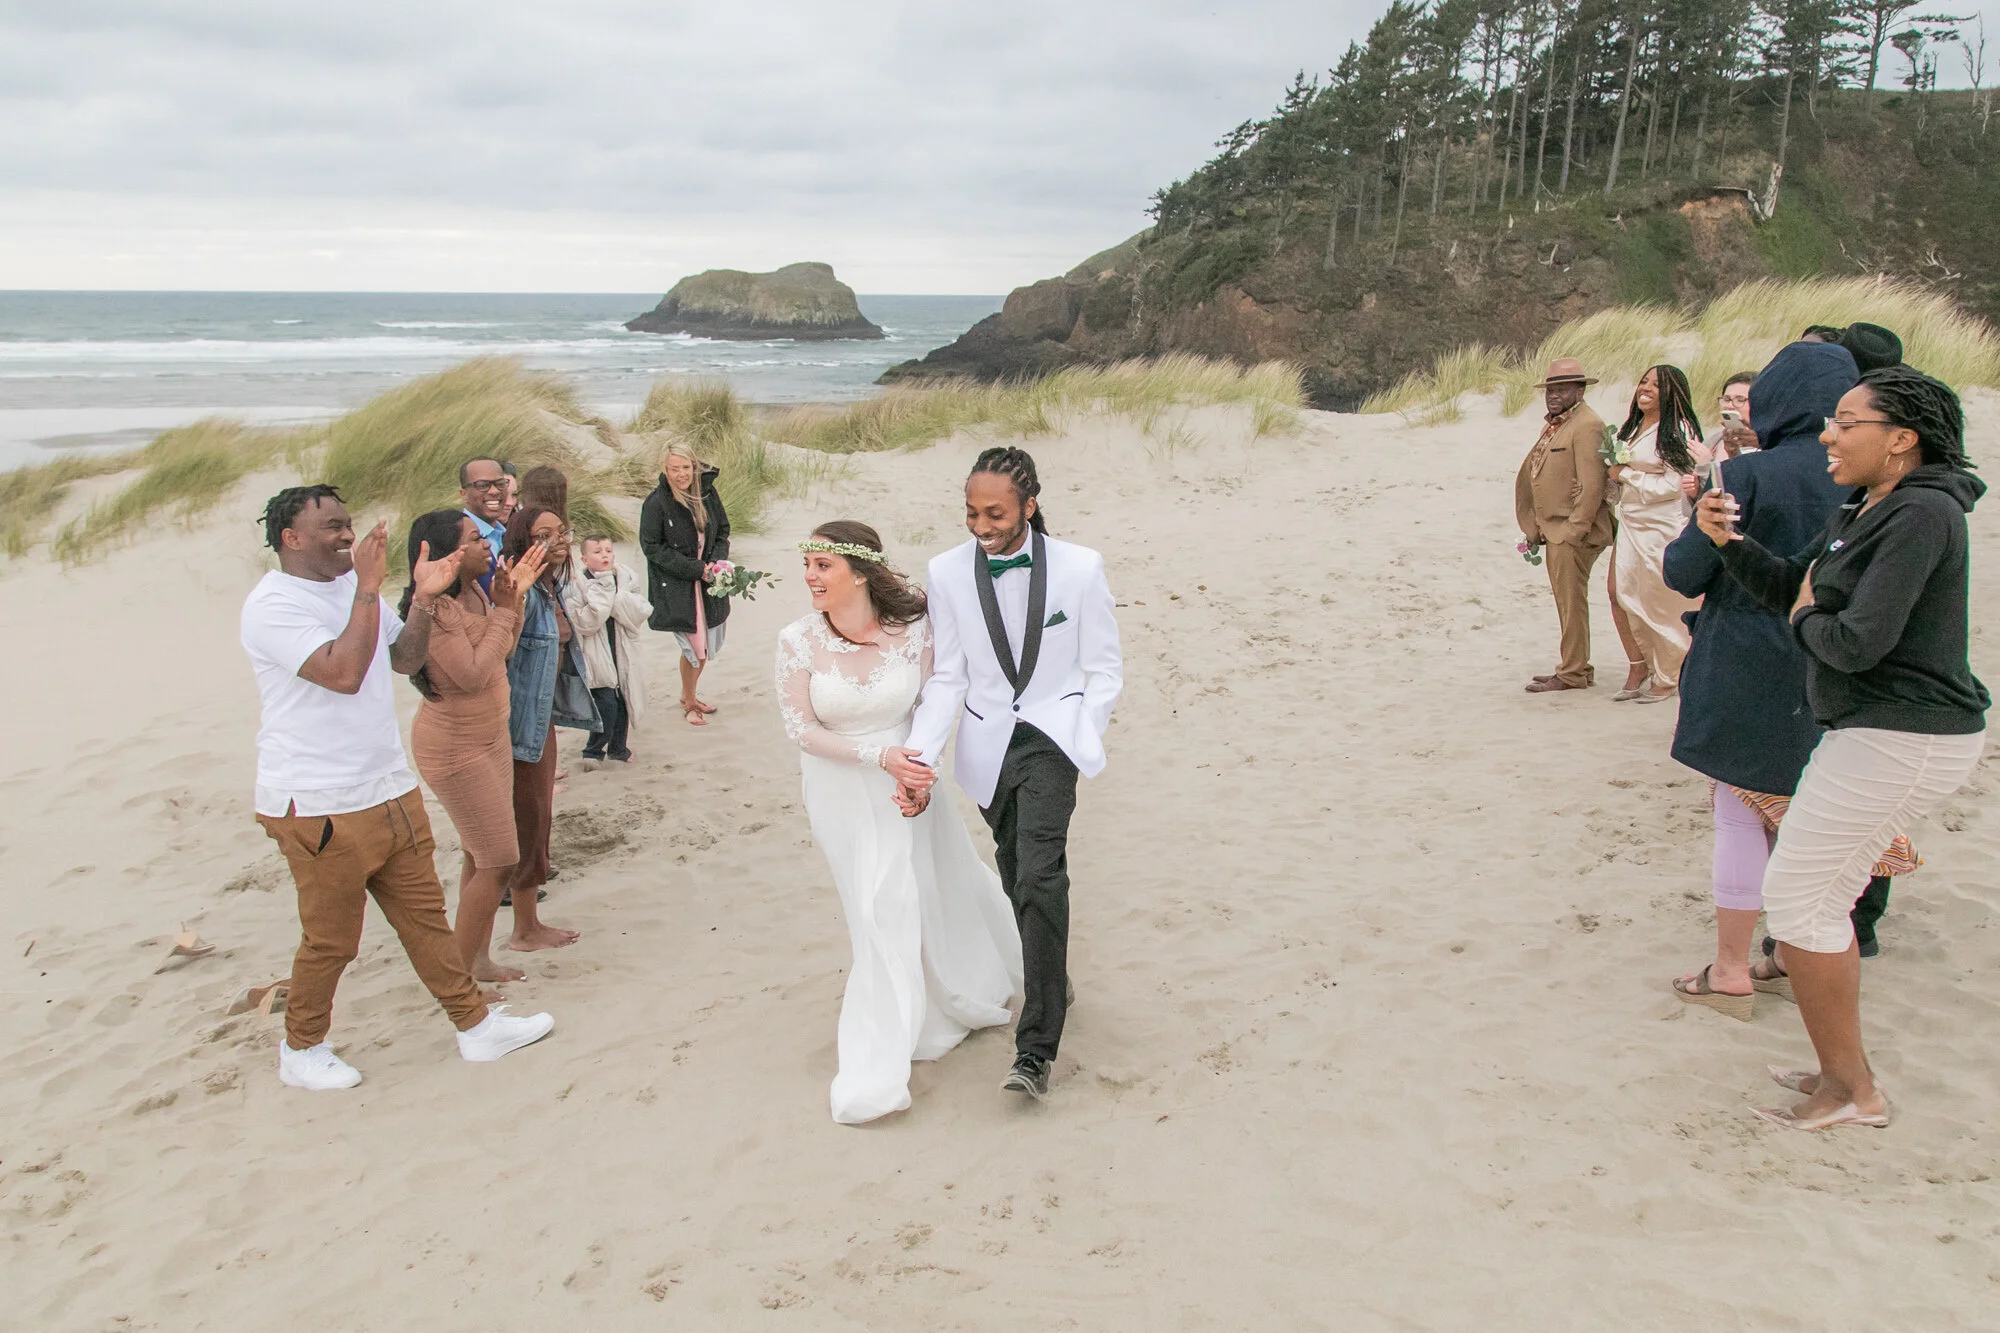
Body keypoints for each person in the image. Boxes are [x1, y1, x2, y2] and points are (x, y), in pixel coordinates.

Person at [1691, 366, 1986, 1130]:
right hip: (1870, 729)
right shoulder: (1872, 504)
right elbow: (1795, 582)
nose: (1828, 432)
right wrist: (1729, 542)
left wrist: (1801, 616)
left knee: (1801, 902)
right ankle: (1840, 1075)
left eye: (1847, 422)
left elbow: (1855, 641)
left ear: (1900, 440)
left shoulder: (1921, 515)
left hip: (1904, 733)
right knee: (1812, 896)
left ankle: (1852, 1091)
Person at [241, 485, 554, 1090]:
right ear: (290, 538)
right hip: (317, 799)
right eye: (332, 526)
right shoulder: (273, 605)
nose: (345, 537)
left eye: (348, 523)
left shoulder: (348, 593)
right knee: (332, 939)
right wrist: (366, 588)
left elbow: (405, 660)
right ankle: (302, 1049)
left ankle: (475, 1026)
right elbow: (341, 672)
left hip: (386, 784)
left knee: (425, 919)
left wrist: (422, 600)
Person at [776, 521, 1023, 1124]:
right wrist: (877, 758)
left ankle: (950, 996)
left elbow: (932, 704)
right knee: (877, 905)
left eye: (822, 565)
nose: (809, 575)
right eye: (806, 564)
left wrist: (916, 767)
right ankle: (891, 1034)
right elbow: (800, 730)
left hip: (910, 777)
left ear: (860, 573)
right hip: (841, 787)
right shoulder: (797, 640)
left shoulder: (914, 632)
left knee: (936, 882)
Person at [900, 447, 1124, 1101]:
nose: (980, 525)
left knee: (1037, 870)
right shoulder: (946, 572)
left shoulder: (1081, 568)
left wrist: (1085, 728)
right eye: (970, 512)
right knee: (1010, 870)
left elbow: (1104, 666)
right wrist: (920, 754)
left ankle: (1036, 1048)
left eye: (994, 512)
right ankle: (1051, 972)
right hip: (987, 743)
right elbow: (949, 676)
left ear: (1029, 504)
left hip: (1054, 738)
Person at [1661, 337, 1856, 1017]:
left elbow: (1684, 572)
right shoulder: (1868, 482)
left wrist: (1700, 522)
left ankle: (1732, 966)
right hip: (1835, 666)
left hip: (1745, 656)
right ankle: (1794, 949)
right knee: (1817, 820)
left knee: (1741, 812)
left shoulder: (1744, 475)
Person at [400, 509, 545, 982]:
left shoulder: (476, 591)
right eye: (473, 538)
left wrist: (513, 600)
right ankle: (457, 984)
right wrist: (506, 610)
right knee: (500, 859)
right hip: (455, 748)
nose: (486, 542)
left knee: (477, 853)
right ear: (449, 554)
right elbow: (472, 674)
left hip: (490, 736)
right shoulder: (439, 610)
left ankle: (477, 959)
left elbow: (502, 649)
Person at [499, 506, 592, 939]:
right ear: (522, 541)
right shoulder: (522, 592)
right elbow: (505, 652)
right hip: (518, 723)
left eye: (562, 531)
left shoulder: (552, 587)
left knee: (538, 817)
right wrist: (515, 595)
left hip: (541, 717)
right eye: (544, 534)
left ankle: (527, 924)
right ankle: (523, 929)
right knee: (528, 818)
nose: (559, 540)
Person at [1606, 365, 1709, 703]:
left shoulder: (1677, 429)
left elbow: (1672, 484)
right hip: (1632, 523)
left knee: (1660, 601)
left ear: (1672, 393)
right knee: (1627, 593)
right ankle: (1648, 667)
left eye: (1655, 384)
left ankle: (1669, 677)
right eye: (1643, 381)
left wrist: (1626, 476)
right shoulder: (1635, 427)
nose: (1645, 388)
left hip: (1661, 526)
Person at [1515, 358, 1614, 693]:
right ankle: (1576, 666)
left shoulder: (1587, 425)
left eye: (1562, 389)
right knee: (1567, 601)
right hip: (1554, 528)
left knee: (1571, 603)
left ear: (1580, 390)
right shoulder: (1559, 423)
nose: (1553, 395)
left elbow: (1592, 482)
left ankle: (1572, 672)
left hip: (1571, 531)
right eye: (1551, 389)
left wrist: (1574, 529)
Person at [640, 442, 732, 727]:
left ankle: (687, 694)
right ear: (664, 470)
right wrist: (696, 569)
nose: (681, 474)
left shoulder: (707, 493)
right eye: (674, 468)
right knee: (695, 647)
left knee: (705, 645)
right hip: (679, 584)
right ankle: (690, 703)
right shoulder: (656, 503)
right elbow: (652, 548)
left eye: (686, 467)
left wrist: (715, 564)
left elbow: (723, 531)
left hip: (708, 582)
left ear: (694, 467)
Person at [565, 534, 652, 764]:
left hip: (621, 648)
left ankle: (618, 748)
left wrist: (617, 600)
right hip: (595, 653)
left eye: (608, 550)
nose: (604, 555)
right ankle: (592, 750)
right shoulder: (576, 584)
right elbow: (584, 622)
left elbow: (641, 609)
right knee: (606, 703)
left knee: (624, 699)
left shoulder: (625, 577)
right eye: (597, 551)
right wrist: (604, 598)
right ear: (584, 559)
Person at [459, 456, 509, 571]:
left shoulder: (508, 535)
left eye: (500, 484)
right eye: (482, 485)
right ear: (463, 494)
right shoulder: (457, 537)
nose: (494, 491)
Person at [1699, 372, 1761, 465]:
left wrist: (1708, 465)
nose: (1729, 405)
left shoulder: (1773, 444)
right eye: (1726, 399)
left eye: (1740, 400)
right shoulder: (1715, 440)